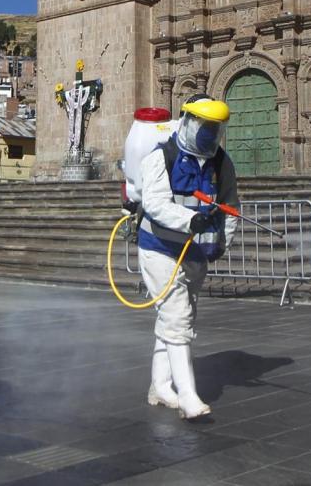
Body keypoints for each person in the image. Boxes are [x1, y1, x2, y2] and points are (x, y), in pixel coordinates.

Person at [137, 94, 238, 420]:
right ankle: (189, 396)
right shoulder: (160, 158)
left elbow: (231, 206)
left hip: (195, 252)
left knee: (177, 318)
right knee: (177, 317)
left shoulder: (221, 163)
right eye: (204, 125)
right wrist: (189, 220)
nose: (209, 133)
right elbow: (154, 204)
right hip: (159, 248)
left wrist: (224, 241)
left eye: (215, 128)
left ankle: (161, 386)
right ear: (188, 121)